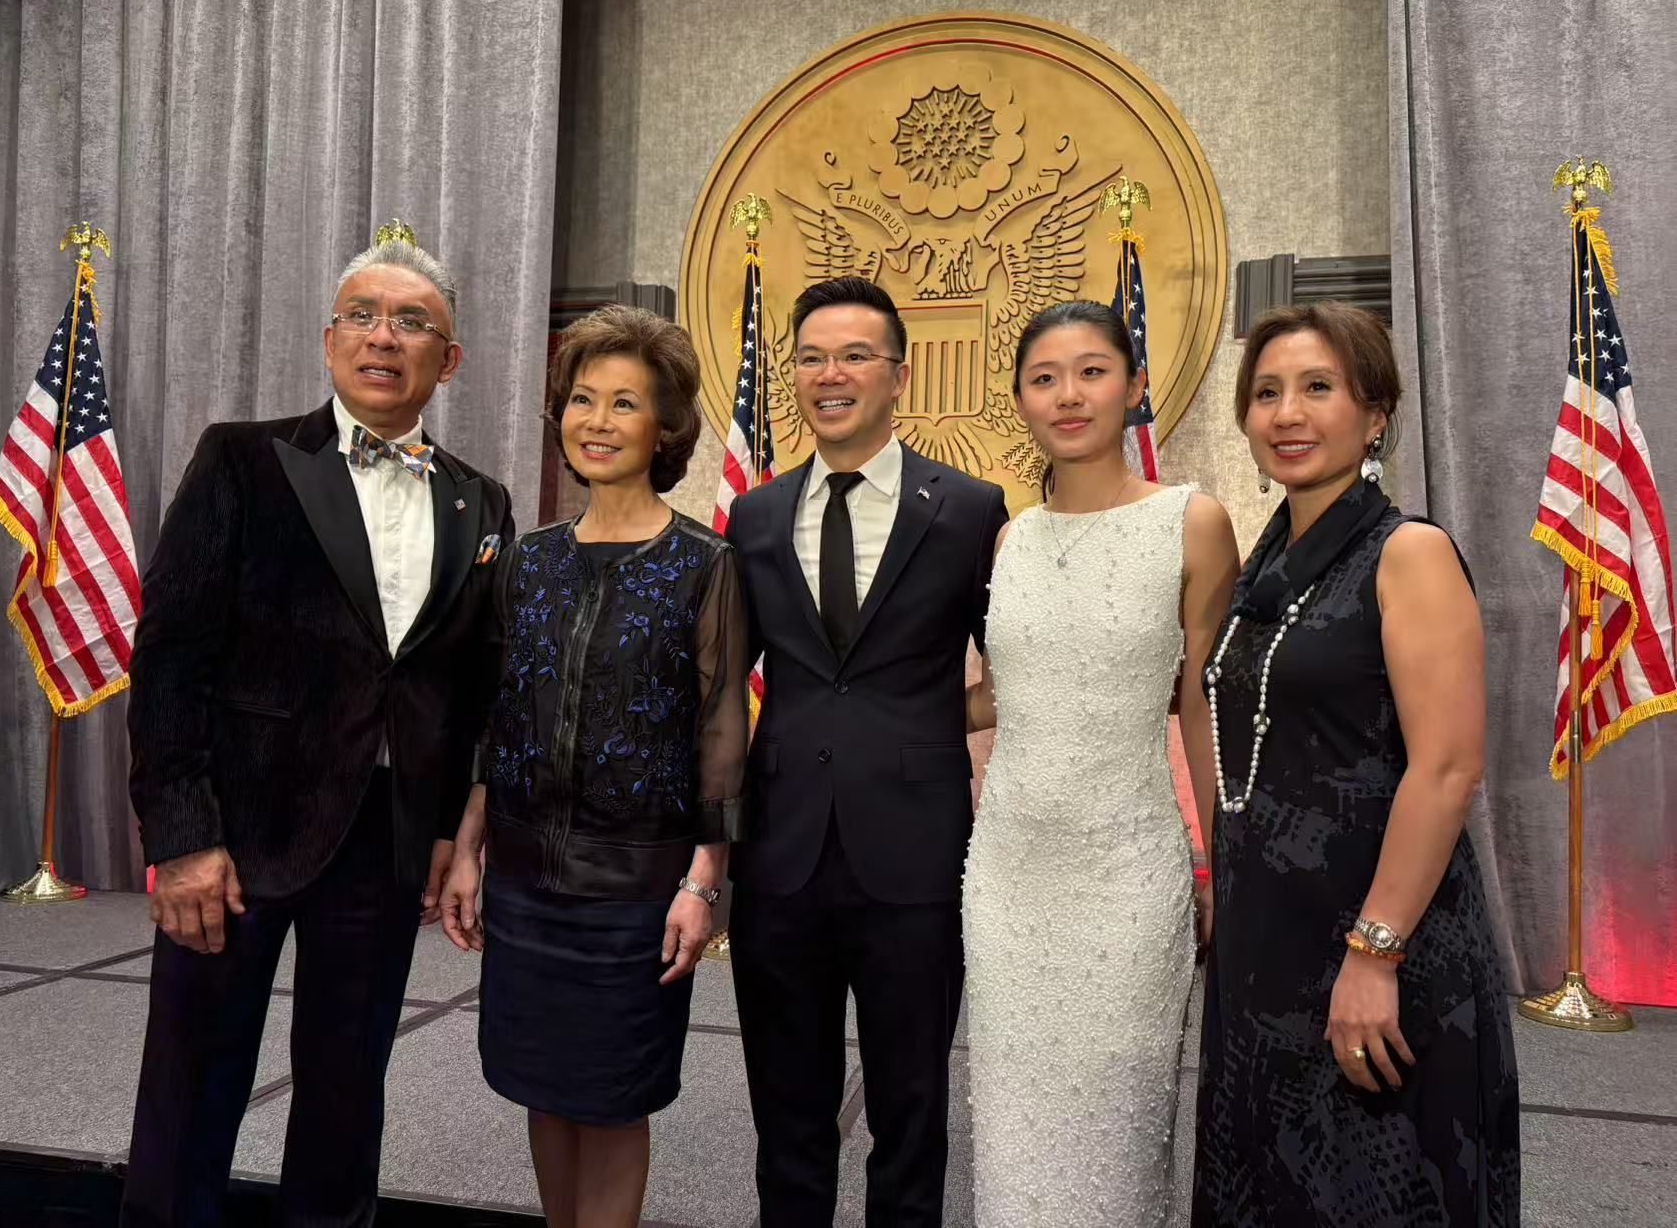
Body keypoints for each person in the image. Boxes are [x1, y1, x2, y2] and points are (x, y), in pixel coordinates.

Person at [121, 232, 513, 1226]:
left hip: (383, 838)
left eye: (413, 321)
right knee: (191, 1089)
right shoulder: (243, 458)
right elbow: (170, 655)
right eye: (364, 315)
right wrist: (182, 834)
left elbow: (463, 686)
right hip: (236, 830)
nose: (385, 336)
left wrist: (439, 832)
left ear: (449, 357)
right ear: (331, 339)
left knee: (347, 1093)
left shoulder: (482, 500)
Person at [1191, 303, 1520, 1225]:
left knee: (1367, 1191)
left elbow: (1447, 768)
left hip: (1374, 941)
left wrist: (1373, 955)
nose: (1285, 413)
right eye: (1265, 393)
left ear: (1375, 413)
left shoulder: (1404, 552)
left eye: (1316, 388)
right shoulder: (1267, 567)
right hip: (1266, 947)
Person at [438, 304, 748, 1228]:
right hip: (527, 879)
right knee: (544, 1087)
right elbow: (503, 713)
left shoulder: (705, 563)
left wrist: (705, 880)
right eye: (581, 399)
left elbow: (723, 730)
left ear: (666, 429)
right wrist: (466, 846)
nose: (598, 421)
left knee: (613, 1099)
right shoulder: (527, 560)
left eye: (624, 403)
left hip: (638, 890)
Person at [724, 274, 1008, 1227]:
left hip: (919, 853)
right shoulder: (756, 516)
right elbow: (726, 685)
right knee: (787, 1117)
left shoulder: (969, 509)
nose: (829, 374)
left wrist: (934, 718)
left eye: (853, 356)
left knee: (910, 1112)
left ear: (899, 375)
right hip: (781, 854)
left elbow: (1018, 665)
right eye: (809, 357)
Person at [960, 300, 1239, 1225]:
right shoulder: (1011, 538)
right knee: (1012, 1134)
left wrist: (1222, 861)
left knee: (1115, 1134)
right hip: (1006, 875)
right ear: (1019, 401)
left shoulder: (1191, 522)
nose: (1068, 395)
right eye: (1044, 378)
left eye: (1091, 371)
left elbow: (1199, 704)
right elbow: (1006, 691)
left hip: (1126, 875)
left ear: (1134, 386)